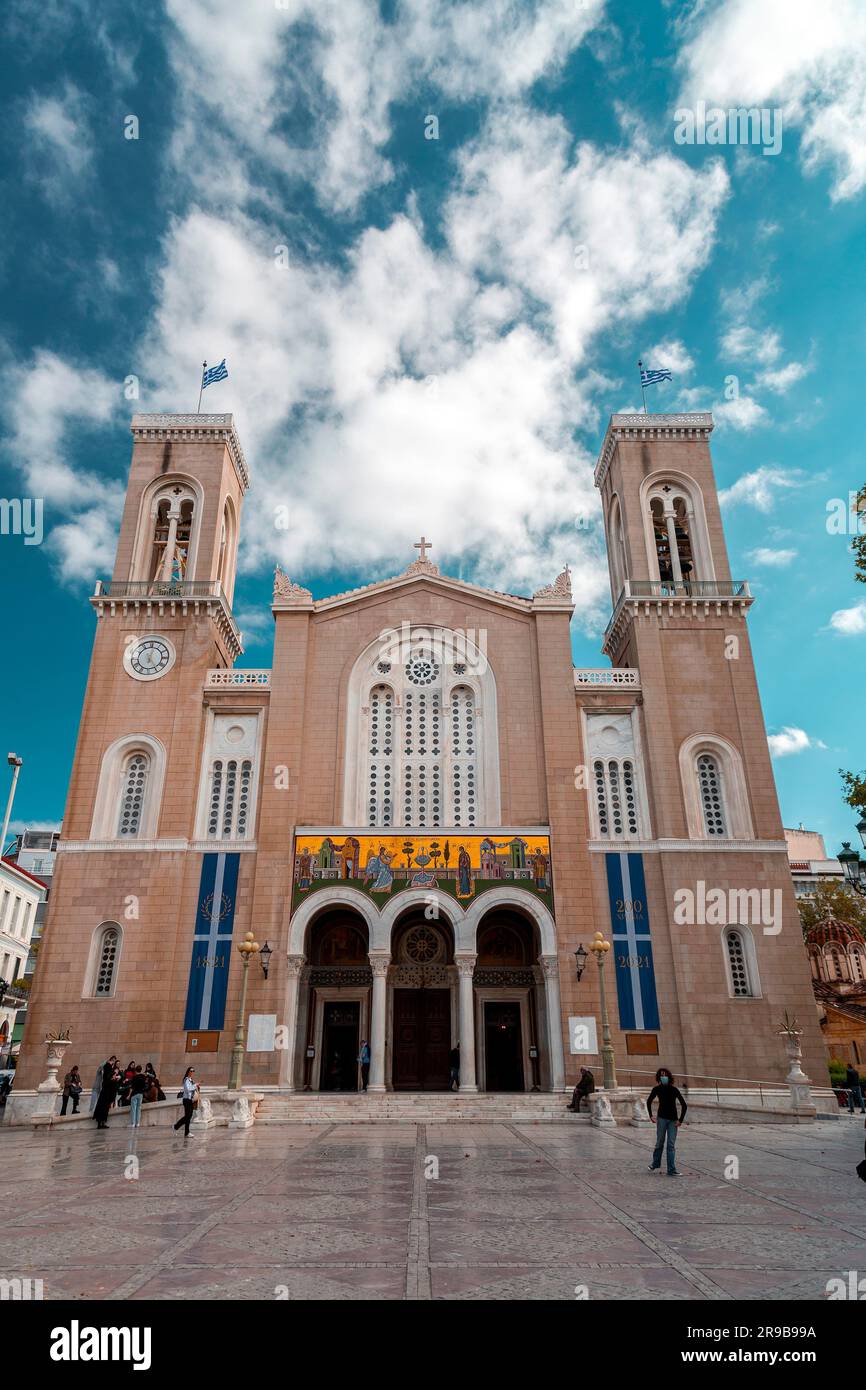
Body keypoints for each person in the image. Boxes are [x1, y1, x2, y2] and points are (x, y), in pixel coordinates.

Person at [646, 1067, 687, 1176]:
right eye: (661, 1075)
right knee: (659, 1142)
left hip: (673, 1121)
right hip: (662, 1119)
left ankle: (671, 1169)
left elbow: (684, 1105)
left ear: (669, 1077)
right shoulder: (657, 1089)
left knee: (671, 1145)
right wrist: (651, 1115)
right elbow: (649, 1101)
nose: (663, 1077)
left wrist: (680, 1120)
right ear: (659, 1078)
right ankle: (655, 1163)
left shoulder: (674, 1090)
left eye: (665, 1075)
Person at [93, 1058, 120, 1129]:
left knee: (104, 1109)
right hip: (106, 1094)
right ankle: (101, 1123)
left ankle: (101, 1123)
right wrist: (114, 1077)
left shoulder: (107, 1072)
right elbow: (108, 1080)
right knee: (103, 1108)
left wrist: (114, 1077)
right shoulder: (107, 1069)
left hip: (105, 1094)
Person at [173, 1067, 198, 1138]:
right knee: (187, 1116)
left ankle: (182, 1130)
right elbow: (188, 1089)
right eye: (191, 1071)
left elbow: (192, 1089)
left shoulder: (191, 1080)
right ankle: (178, 1127)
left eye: (193, 1071)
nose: (192, 1072)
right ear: (188, 1072)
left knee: (189, 1116)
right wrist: (195, 1085)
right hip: (186, 1100)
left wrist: (196, 1086)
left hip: (190, 1100)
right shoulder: (186, 1080)